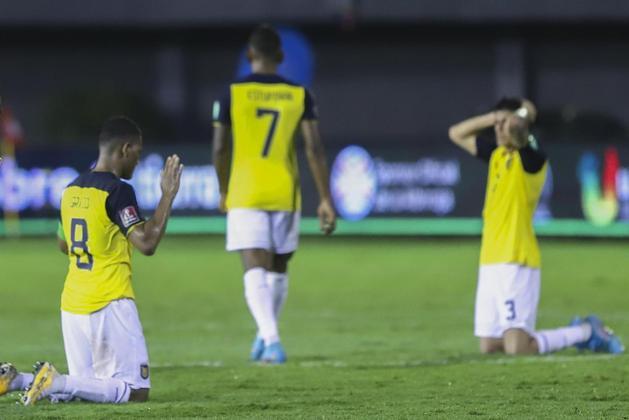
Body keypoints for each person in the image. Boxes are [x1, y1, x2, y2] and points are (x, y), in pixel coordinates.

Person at [0, 116, 183, 405]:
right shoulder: (118, 191)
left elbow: (64, 244)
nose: (138, 160)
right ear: (124, 149)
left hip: (72, 304)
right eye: (137, 152)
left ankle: (18, 380)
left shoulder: (71, 189)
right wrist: (167, 196)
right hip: (109, 301)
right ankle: (55, 380)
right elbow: (147, 243)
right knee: (134, 391)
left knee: (87, 389)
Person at [448, 98, 624, 355]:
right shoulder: (497, 155)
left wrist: (519, 118)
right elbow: (456, 133)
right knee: (489, 346)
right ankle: (578, 332)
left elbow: (520, 135)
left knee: (518, 349)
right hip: (490, 260)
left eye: (502, 126)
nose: (497, 130)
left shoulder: (531, 159)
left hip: (516, 259)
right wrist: (494, 118)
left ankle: (585, 332)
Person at [212, 25, 336, 364]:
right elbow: (314, 149)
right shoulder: (300, 94)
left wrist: (223, 188)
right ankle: (266, 336)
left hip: (245, 189)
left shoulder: (230, 94)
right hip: (285, 189)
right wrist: (325, 198)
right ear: (280, 57)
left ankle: (270, 338)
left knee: (255, 267)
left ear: (250, 55)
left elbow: (220, 148)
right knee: (278, 268)